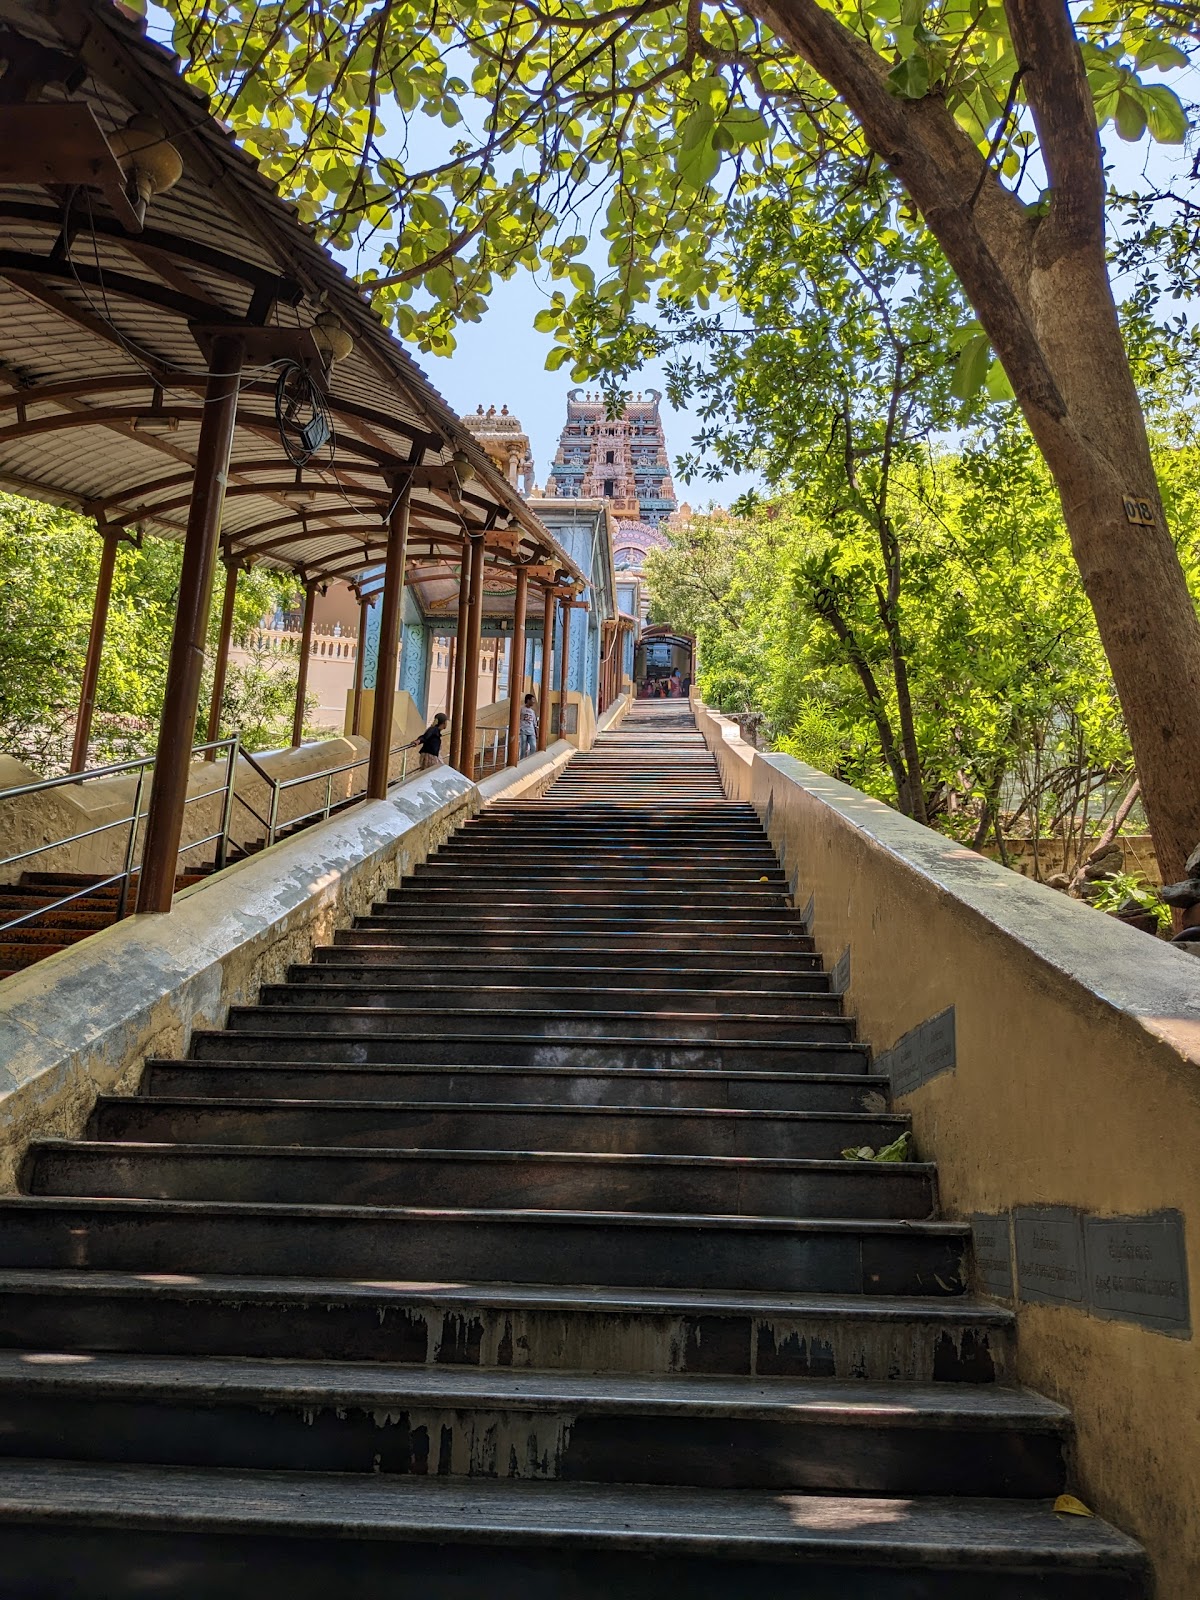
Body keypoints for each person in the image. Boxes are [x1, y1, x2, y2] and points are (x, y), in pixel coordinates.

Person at [519, 693, 538, 759]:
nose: (534, 702)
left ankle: (529, 760)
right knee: (523, 749)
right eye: (532, 700)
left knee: (533, 747)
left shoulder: (532, 711)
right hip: (523, 731)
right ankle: (521, 761)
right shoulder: (521, 709)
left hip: (531, 732)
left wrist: (536, 732)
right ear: (528, 700)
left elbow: (534, 723)